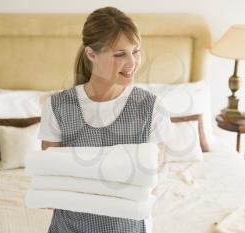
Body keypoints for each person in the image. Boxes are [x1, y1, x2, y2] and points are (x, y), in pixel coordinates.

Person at [38, 6, 174, 233]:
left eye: (136, 51)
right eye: (120, 54)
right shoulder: (58, 107)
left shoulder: (152, 108)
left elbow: (149, 186)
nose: (132, 63)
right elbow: (53, 184)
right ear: (91, 54)